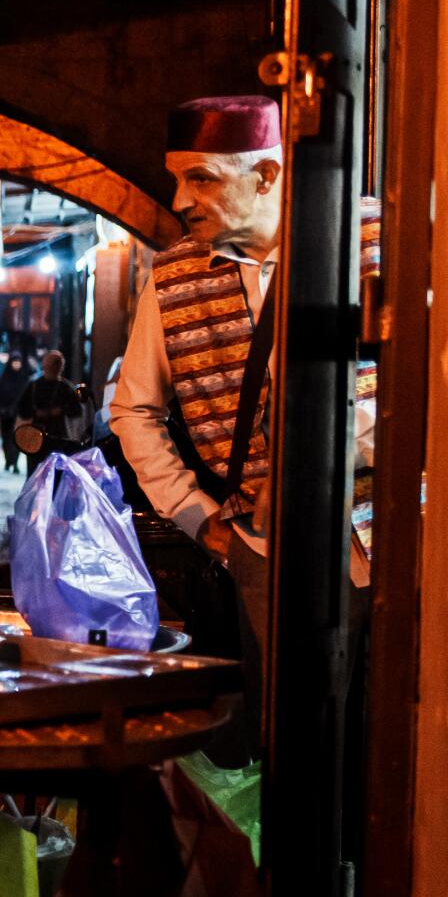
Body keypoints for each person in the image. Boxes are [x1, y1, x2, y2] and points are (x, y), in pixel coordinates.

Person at [109, 94, 373, 689]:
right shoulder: (174, 279)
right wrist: (195, 515)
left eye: (200, 179)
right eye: (176, 179)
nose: (178, 202)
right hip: (264, 550)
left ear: (266, 176)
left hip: (397, 534)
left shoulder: (377, 241)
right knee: (289, 729)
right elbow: (133, 409)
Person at [15, 350, 84, 475]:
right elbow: (77, 411)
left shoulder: (35, 385)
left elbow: (22, 409)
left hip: (45, 438)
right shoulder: (65, 387)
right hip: (51, 437)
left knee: (38, 474)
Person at [0, 349, 34, 473]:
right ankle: (8, 460)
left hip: (19, 414)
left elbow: (26, 397)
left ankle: (14, 462)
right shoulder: (4, 378)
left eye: (18, 361)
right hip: (5, 414)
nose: (16, 364)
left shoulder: (24, 379)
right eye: (14, 361)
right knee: (6, 439)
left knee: (17, 439)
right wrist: (0, 409)